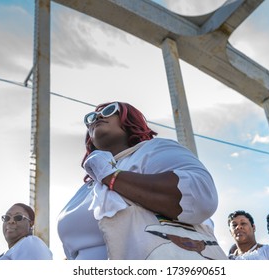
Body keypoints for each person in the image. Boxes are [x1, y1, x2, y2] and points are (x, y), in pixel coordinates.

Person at [57, 101, 220, 260]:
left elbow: (200, 195)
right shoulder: (88, 187)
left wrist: (112, 177)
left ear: (129, 120)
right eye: (91, 118)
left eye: (109, 111)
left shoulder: (153, 149)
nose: (98, 117)